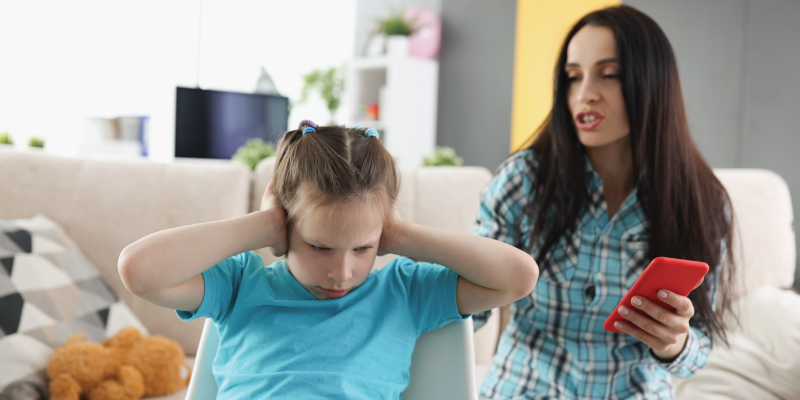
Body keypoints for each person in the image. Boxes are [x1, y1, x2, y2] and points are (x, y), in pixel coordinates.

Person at [118, 120, 539, 399]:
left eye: (363, 249)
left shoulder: (405, 292)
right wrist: (264, 224)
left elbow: (518, 277)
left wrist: (397, 234)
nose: (342, 272)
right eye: (320, 246)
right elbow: (139, 271)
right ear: (285, 224)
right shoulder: (240, 284)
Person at [472, 5, 735, 400]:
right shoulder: (522, 181)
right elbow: (466, 308)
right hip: (525, 389)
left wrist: (673, 343)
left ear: (653, 83)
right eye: (573, 77)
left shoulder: (703, 202)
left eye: (608, 75)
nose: (584, 94)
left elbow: (699, 350)